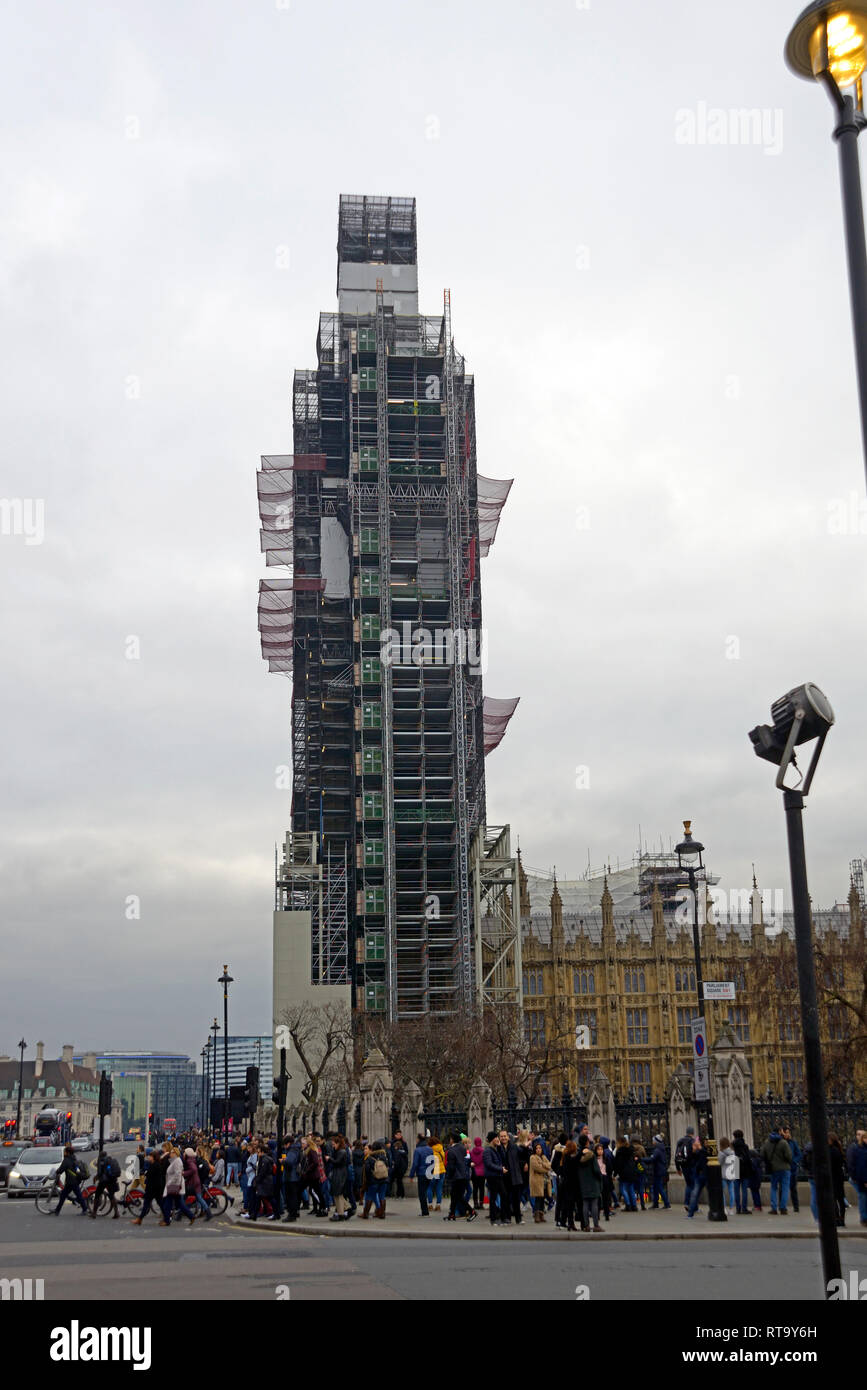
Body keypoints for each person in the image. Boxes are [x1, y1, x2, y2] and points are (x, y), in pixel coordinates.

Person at [761, 1125, 793, 1215]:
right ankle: (783, 1208)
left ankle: (774, 1208)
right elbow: (789, 1156)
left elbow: (762, 1154)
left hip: (773, 1168)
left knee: (774, 1188)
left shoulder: (767, 1142)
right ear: (779, 1131)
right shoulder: (783, 1142)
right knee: (785, 1188)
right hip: (785, 1168)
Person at [499, 1128, 527, 1225]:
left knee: (516, 1199)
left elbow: (524, 1155)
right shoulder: (498, 1148)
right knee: (505, 1199)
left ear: (508, 1137)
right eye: (501, 1136)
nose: (503, 1138)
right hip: (503, 1177)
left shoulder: (514, 1147)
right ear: (499, 1138)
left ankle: (518, 1219)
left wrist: (525, 1163)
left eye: (505, 1136)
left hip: (515, 1176)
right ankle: (506, 1218)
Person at [161, 1147, 195, 1226]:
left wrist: (171, 1183)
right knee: (179, 1204)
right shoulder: (175, 1161)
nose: (170, 1154)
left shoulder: (177, 1162)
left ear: (176, 1153)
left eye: (172, 1152)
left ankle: (166, 1220)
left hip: (174, 1185)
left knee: (167, 1203)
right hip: (174, 1185)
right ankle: (191, 1216)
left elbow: (177, 1174)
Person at [445, 1134, 476, 1221]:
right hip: (462, 1175)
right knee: (454, 1195)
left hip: (455, 1176)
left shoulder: (451, 1150)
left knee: (458, 1196)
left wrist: (449, 1176)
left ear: (452, 1139)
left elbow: (451, 1166)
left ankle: (472, 1211)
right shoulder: (462, 1149)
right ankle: (452, 1214)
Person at [53, 1145, 88, 1214]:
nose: (64, 1153)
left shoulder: (66, 1160)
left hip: (72, 1181)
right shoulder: (73, 1158)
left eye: (65, 1152)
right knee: (63, 1195)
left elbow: (61, 1169)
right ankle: (57, 1210)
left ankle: (84, 1209)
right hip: (74, 1180)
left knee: (77, 1195)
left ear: (68, 1153)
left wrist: (56, 1172)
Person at [578, 1138, 604, 1233]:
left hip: (582, 1182)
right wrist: (600, 1177)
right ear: (587, 1143)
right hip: (593, 1182)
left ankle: (586, 1225)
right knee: (594, 1204)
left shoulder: (578, 1155)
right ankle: (596, 1225)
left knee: (585, 1204)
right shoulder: (591, 1155)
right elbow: (596, 1170)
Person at [133, 1150, 165, 1224]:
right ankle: (166, 1218)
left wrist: (146, 1173)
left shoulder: (155, 1165)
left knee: (147, 1204)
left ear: (153, 1157)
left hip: (153, 1188)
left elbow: (149, 1174)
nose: (148, 1157)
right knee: (159, 1204)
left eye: (150, 1156)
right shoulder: (154, 1164)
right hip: (155, 1188)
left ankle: (140, 1219)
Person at [483, 1133, 508, 1225]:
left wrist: (500, 1147)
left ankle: (503, 1217)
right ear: (491, 1140)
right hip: (492, 1176)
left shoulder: (496, 1149)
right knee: (493, 1197)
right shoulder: (487, 1151)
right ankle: (493, 1218)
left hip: (498, 1176)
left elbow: (503, 1157)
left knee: (504, 1195)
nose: (498, 1139)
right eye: (496, 1138)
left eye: (498, 1137)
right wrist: (500, 1169)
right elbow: (489, 1164)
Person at [90, 1148, 121, 1220]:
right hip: (112, 1180)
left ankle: (94, 1213)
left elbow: (100, 1173)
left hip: (104, 1181)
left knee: (97, 1195)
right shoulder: (110, 1160)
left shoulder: (101, 1161)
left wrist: (96, 1177)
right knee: (112, 1196)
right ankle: (116, 1213)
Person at [363, 1139, 390, 1219]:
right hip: (384, 1179)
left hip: (373, 1181)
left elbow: (367, 1170)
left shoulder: (370, 1157)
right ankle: (382, 1214)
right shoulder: (384, 1156)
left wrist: (367, 1181)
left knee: (369, 1197)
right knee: (382, 1196)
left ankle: (366, 1214)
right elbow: (388, 1166)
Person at [183, 1147, 212, 1221]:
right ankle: (208, 1213)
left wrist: (184, 1173)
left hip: (193, 1183)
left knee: (183, 1197)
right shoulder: (192, 1160)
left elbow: (193, 1169)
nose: (183, 1154)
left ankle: (181, 1213)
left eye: (185, 1152)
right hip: (196, 1182)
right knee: (198, 1198)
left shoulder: (190, 1161)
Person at [409, 1133, 434, 1216]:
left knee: (422, 1193)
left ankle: (425, 1211)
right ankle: (427, 1208)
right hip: (429, 1173)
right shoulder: (430, 1149)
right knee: (426, 1191)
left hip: (422, 1173)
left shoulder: (418, 1150)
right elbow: (433, 1162)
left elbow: (415, 1164)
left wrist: (411, 1175)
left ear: (418, 1140)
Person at [558, 1140, 580, 1230]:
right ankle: (570, 1223)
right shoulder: (569, 1158)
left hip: (566, 1183)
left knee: (568, 1204)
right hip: (571, 1184)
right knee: (570, 1205)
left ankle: (567, 1222)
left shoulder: (564, 1156)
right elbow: (574, 1161)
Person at [685, 1136, 709, 1218]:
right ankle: (690, 1213)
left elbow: (706, 1155)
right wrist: (694, 1149)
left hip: (706, 1174)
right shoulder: (697, 1152)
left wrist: (699, 1148)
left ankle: (715, 1209)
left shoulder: (705, 1150)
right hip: (699, 1175)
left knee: (709, 1193)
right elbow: (691, 1158)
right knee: (695, 1194)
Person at [613, 1136, 638, 1212]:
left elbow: (618, 1164)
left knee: (623, 1189)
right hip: (632, 1171)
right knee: (631, 1189)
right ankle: (634, 1206)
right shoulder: (631, 1149)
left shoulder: (620, 1151)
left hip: (624, 1172)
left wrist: (615, 1174)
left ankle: (628, 1205)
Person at [328, 1135, 350, 1221]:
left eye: (334, 1144)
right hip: (339, 1173)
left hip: (340, 1174)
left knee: (338, 1194)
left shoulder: (342, 1152)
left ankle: (341, 1214)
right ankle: (347, 1208)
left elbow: (337, 1162)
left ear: (338, 1143)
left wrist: (329, 1159)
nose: (333, 1146)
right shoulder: (339, 1151)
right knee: (337, 1194)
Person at [529, 1141, 552, 1223]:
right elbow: (537, 1168)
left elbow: (549, 1165)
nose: (538, 1150)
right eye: (537, 1148)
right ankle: (536, 1215)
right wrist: (545, 1168)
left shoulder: (544, 1157)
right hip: (537, 1181)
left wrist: (543, 1164)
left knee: (543, 1198)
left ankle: (542, 1214)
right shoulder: (532, 1157)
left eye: (540, 1148)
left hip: (545, 1181)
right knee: (538, 1198)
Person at [781, 1126, 802, 1213]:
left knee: (793, 1188)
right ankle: (782, 1205)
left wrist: (794, 1161)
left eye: (788, 1132)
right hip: (783, 1167)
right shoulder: (781, 1142)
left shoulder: (793, 1142)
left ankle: (796, 1206)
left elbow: (799, 1154)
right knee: (782, 1188)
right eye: (786, 1132)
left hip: (792, 1167)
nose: (788, 1134)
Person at [731, 1130, 753, 1213]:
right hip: (745, 1169)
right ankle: (744, 1208)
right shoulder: (745, 1146)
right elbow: (748, 1158)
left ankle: (738, 1208)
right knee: (744, 1190)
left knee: (736, 1189)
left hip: (736, 1167)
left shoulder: (732, 1146)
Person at [675, 1126, 696, 1212]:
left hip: (683, 1166)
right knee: (694, 1186)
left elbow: (676, 1156)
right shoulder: (693, 1141)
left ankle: (687, 1203)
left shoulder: (680, 1141)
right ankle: (693, 1205)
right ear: (692, 1133)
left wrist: (678, 1168)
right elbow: (696, 1154)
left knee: (688, 1185)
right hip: (692, 1166)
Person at [850, 1130, 867, 1227]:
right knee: (863, 1198)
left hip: (862, 1178)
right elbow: (862, 1167)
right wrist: (865, 1180)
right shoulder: (860, 1149)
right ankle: (864, 1218)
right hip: (862, 1179)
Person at [650, 1134, 671, 1209]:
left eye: (653, 1141)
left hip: (658, 1170)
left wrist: (642, 1159)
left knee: (659, 1187)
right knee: (656, 1187)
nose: (652, 1142)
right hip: (659, 1170)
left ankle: (667, 1203)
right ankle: (655, 1203)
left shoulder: (657, 1150)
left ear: (656, 1141)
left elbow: (652, 1159)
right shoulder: (660, 1148)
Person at [719, 1136, 739, 1215]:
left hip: (723, 1174)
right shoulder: (733, 1152)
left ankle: (724, 1208)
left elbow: (719, 1163)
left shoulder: (721, 1153)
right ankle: (731, 1209)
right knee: (731, 1191)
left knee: (723, 1192)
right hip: (730, 1174)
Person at [428, 1135, 446, 1212]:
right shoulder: (441, 1148)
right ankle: (438, 1205)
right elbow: (444, 1158)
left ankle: (430, 1205)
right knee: (439, 1188)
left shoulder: (430, 1150)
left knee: (430, 1188)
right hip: (442, 1170)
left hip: (434, 1171)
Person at [389, 1131, 409, 1199]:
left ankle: (399, 1194)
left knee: (399, 1180)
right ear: (395, 1135)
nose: (399, 1135)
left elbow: (406, 1153)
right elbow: (391, 1153)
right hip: (395, 1164)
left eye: (400, 1134)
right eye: (398, 1134)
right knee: (396, 1180)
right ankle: (397, 1194)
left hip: (400, 1165)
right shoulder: (392, 1143)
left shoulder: (404, 1143)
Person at [469, 1136, 486, 1211]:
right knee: (481, 1188)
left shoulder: (472, 1152)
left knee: (475, 1188)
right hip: (482, 1172)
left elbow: (471, 1160)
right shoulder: (483, 1151)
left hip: (474, 1172)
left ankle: (475, 1204)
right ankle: (481, 1204)